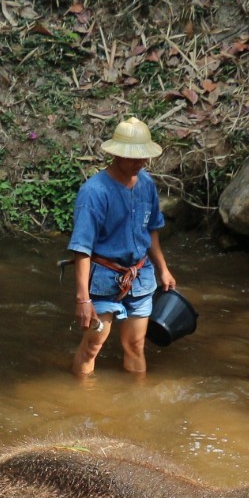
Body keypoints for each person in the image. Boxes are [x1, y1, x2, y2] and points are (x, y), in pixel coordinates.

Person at [66, 116, 176, 378]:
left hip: (140, 278)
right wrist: (83, 299)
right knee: (93, 345)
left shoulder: (147, 183)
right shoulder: (94, 192)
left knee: (136, 345)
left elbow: (151, 230)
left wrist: (163, 269)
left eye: (143, 157)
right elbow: (82, 249)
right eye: (134, 158)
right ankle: (83, 402)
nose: (141, 163)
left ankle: (138, 403)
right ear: (116, 155)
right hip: (103, 281)